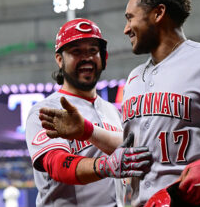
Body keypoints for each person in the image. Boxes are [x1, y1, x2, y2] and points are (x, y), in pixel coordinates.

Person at [39, 0, 200, 206]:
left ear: (158, 13)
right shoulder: (134, 79)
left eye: (130, 18)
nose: (125, 29)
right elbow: (134, 151)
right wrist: (87, 131)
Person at [25, 18, 152, 207]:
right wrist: (105, 166)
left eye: (93, 50)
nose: (86, 57)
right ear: (60, 60)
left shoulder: (113, 112)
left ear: (104, 58)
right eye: (76, 51)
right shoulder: (45, 110)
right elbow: (56, 164)